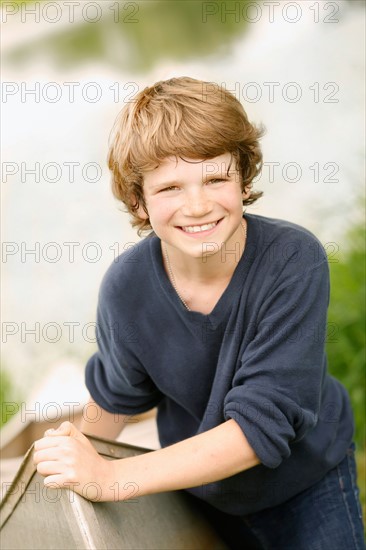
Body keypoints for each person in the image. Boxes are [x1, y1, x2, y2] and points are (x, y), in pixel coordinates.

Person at [34, 77, 365, 549]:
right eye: (169, 187)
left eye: (215, 178)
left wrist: (112, 478)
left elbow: (259, 429)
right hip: (204, 491)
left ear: (244, 179)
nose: (198, 205)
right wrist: (77, 456)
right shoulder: (125, 287)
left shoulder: (293, 259)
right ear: (138, 201)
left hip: (309, 483)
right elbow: (114, 402)